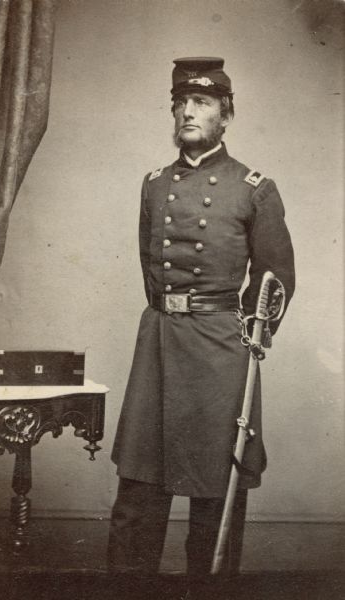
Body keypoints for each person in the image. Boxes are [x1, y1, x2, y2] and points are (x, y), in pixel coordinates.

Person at [107, 57, 295, 600]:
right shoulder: (154, 184)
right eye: (182, 103)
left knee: (217, 484)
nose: (189, 111)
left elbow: (275, 278)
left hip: (220, 348)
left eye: (203, 103)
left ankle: (211, 592)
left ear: (226, 115)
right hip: (161, 341)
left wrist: (254, 337)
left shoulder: (254, 187)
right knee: (139, 483)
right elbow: (150, 268)